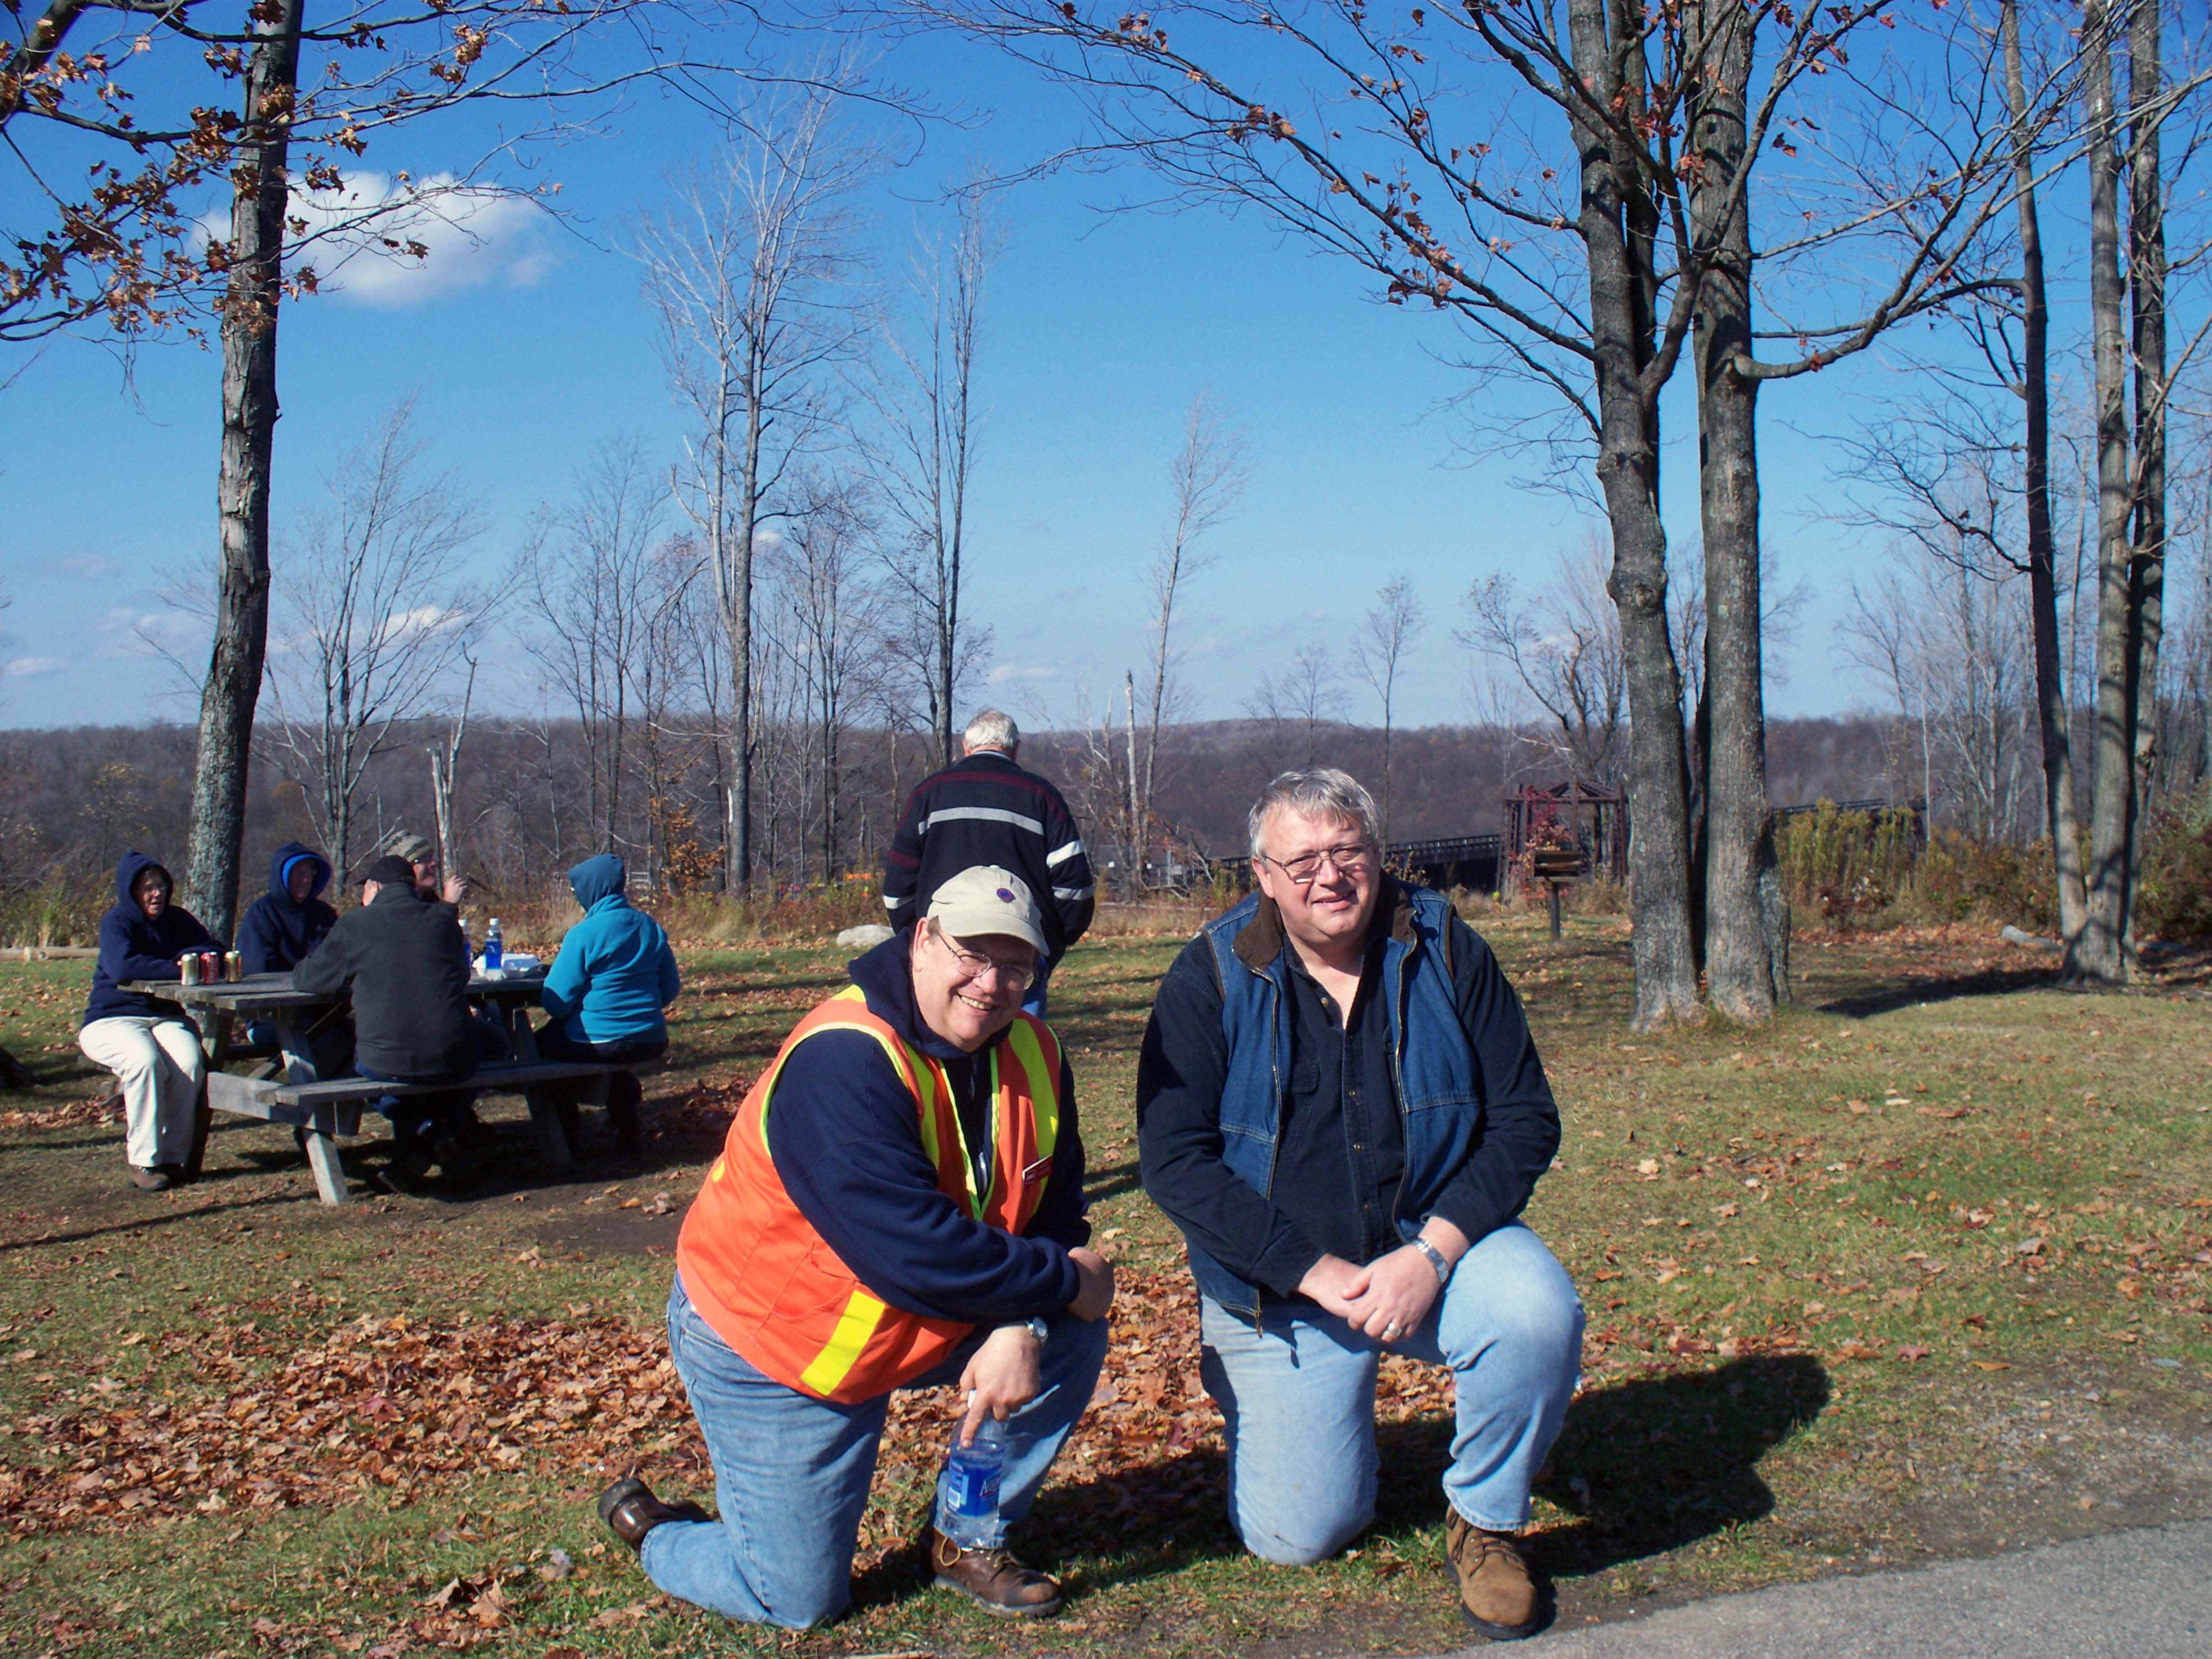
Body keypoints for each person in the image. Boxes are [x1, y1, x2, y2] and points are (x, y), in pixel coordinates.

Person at [596, 866, 1115, 1629]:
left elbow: (1056, 1208)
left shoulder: (1035, 1052)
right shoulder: (845, 1057)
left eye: (1015, 965)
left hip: (915, 1317)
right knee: (799, 1600)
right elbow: (914, 1253)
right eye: (972, 953)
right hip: (779, 1344)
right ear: (922, 941)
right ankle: (658, 1532)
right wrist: (1057, 1285)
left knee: (1067, 1330)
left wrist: (1019, 1322)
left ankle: (965, 1536)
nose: (991, 982)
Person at [1136, 769, 1583, 1641]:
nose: (1329, 876)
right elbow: (1174, 1163)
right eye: (1302, 861)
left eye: (1348, 851)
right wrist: (1312, 1270)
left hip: (1432, 1250)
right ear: (1262, 875)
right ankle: (1294, 1416)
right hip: (1287, 1287)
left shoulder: (1444, 945)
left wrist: (1435, 1254)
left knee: (1534, 1310)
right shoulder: (1212, 974)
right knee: (1300, 1535)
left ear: (1379, 857)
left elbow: (1527, 1119)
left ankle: (1486, 1523)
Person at [882, 709, 1094, 1018]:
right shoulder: (1041, 798)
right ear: (1015, 748)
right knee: (1020, 1058)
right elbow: (1075, 891)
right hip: (1019, 955)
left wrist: (923, 943)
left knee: (941, 1053)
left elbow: (897, 891)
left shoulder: (929, 795)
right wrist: (1045, 946)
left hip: (946, 954)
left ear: (966, 748)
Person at [294, 854, 480, 1193]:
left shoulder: (356, 924)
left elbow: (309, 978)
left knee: (370, 1064)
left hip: (388, 1061)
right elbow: (462, 974)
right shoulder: (442, 921)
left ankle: (430, 1133)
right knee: (481, 1047)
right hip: (455, 1057)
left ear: (374, 887)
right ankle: (441, 1134)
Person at [77, 852, 220, 1192]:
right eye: (147, 888)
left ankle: (173, 1158)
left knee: (189, 1061)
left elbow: (212, 948)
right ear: (131, 891)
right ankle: (143, 1160)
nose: (156, 894)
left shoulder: (178, 920)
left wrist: (189, 958)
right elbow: (124, 967)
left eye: (160, 886)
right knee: (145, 1062)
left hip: (164, 1016)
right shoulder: (117, 922)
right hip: (112, 1019)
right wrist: (177, 966)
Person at [536, 853, 680, 1157]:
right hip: (651, 1038)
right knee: (615, 1062)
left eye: (578, 892)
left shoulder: (583, 935)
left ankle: (566, 1131)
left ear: (591, 890)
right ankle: (628, 1127)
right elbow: (670, 987)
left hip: (601, 1040)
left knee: (538, 1049)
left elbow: (556, 1002)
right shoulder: (649, 927)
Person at [235, 842, 338, 974]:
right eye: (299, 872)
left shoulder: (324, 913)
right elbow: (256, 967)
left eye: (310, 872)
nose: (305, 879)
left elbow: (339, 957)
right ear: (283, 875)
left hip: (321, 989)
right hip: (275, 990)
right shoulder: (263, 912)